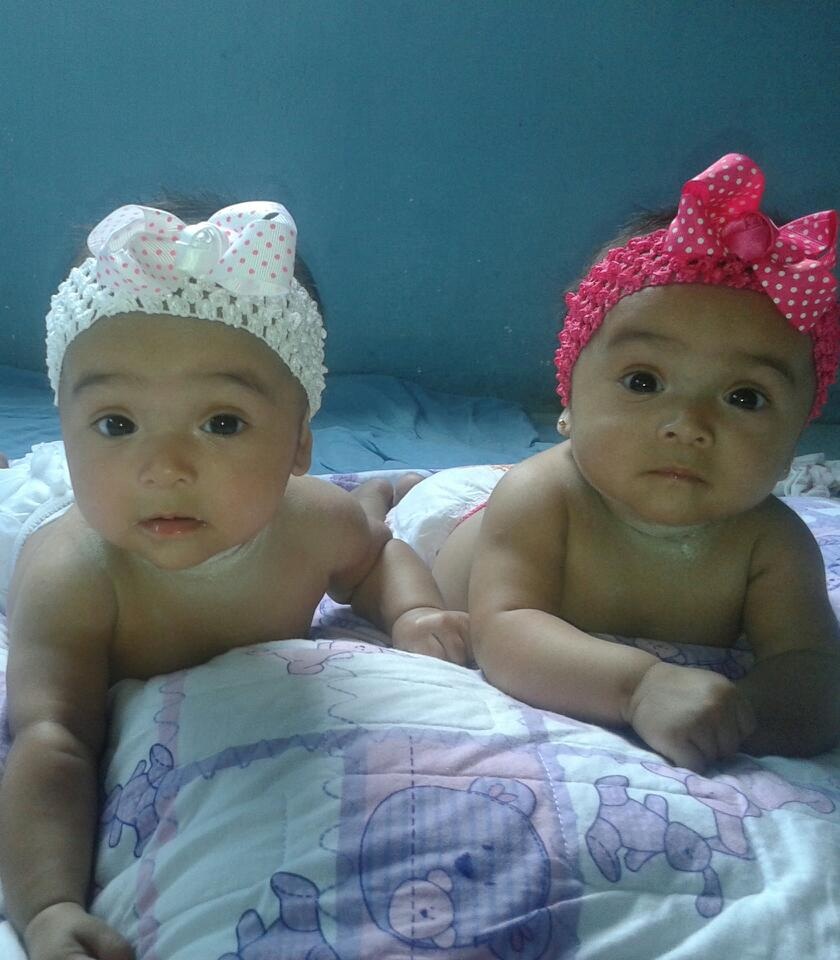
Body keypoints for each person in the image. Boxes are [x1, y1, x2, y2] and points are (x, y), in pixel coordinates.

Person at [0, 199, 468, 960]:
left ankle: (379, 489)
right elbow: (51, 741)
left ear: (300, 442)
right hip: (38, 515)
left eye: (222, 422)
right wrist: (48, 906)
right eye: (115, 422)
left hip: (269, 501)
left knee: (364, 516)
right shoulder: (74, 581)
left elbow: (375, 558)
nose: (165, 469)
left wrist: (414, 613)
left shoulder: (310, 521)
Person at [389, 152, 840, 774]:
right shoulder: (542, 497)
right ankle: (392, 490)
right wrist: (640, 688)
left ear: (796, 435)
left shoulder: (774, 543)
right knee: (408, 515)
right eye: (643, 381)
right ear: (568, 400)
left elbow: (813, 670)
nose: (687, 425)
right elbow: (504, 634)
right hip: (459, 525)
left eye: (745, 397)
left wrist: (738, 713)